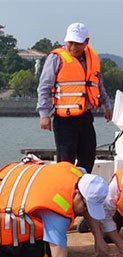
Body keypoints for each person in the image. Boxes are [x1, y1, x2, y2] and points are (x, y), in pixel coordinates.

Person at [0, 157, 109, 257]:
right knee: (50, 253)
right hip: (5, 227)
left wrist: (98, 238)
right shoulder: (56, 213)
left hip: (9, 189)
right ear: (76, 193)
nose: (86, 211)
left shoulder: (78, 174)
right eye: (86, 207)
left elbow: (86, 205)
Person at [36, 22, 113, 174]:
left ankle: (81, 193)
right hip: (64, 120)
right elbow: (44, 87)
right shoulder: (56, 58)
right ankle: (66, 194)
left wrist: (107, 105)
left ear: (86, 42)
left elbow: (98, 84)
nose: (73, 47)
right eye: (70, 42)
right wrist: (44, 115)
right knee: (66, 162)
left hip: (85, 117)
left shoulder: (92, 58)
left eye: (78, 43)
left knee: (88, 157)